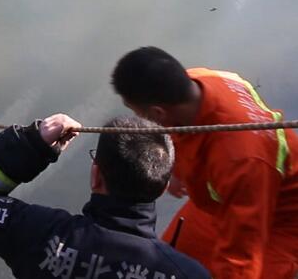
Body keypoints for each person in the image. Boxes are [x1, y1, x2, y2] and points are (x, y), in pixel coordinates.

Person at [0, 113, 209, 278]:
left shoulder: (41, 235)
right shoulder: (187, 273)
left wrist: (33, 144)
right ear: (162, 188)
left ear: (96, 175)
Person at [111, 46, 298, 278]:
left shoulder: (241, 160)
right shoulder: (201, 79)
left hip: (277, 222)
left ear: (158, 113)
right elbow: (179, 128)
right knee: (163, 268)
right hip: (223, 201)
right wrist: (177, 168)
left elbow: (241, 256)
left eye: (137, 112)